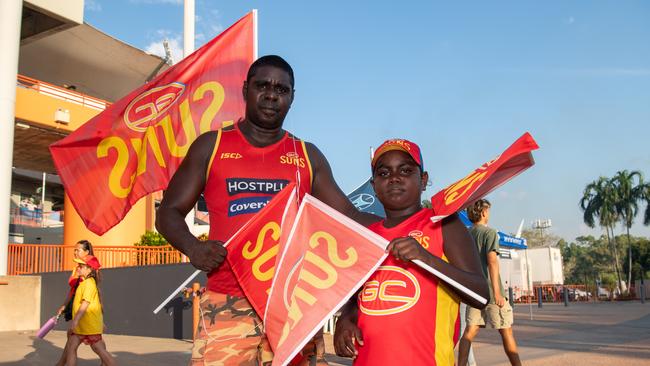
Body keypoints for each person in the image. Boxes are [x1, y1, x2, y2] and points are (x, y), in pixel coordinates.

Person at [156, 55, 377, 365]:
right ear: (246, 89)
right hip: (228, 301)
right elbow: (168, 212)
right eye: (263, 85)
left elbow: (350, 217)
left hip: (293, 307)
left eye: (282, 89)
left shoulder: (306, 155)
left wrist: (412, 223)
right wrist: (193, 246)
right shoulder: (211, 146)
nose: (272, 95)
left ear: (292, 97)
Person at [333, 139, 489, 366]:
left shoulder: (443, 224)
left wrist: (424, 258)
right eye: (384, 173)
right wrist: (346, 317)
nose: (394, 178)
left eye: (405, 170)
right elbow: (358, 294)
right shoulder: (367, 235)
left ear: (423, 180)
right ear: (374, 185)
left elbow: (481, 295)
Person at [457, 199, 522, 366]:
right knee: (506, 332)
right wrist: (498, 293)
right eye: (489, 211)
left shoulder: (466, 234)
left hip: (474, 292)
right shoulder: (490, 233)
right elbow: (492, 261)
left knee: (469, 332)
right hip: (491, 293)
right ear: (484, 212)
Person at [65, 254, 115, 366]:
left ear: (89, 269)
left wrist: (75, 320)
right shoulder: (85, 283)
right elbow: (95, 305)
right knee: (71, 348)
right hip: (82, 327)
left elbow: (85, 304)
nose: (78, 268)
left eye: (81, 266)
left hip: (88, 327)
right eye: (78, 265)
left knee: (99, 350)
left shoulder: (88, 284)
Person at [55, 239, 94, 366]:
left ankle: (62, 363)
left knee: (84, 341)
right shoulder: (77, 268)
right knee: (95, 342)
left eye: (78, 250)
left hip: (85, 310)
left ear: (86, 252)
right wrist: (64, 305)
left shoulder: (89, 269)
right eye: (74, 250)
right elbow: (72, 291)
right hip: (76, 305)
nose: (75, 252)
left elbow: (92, 295)